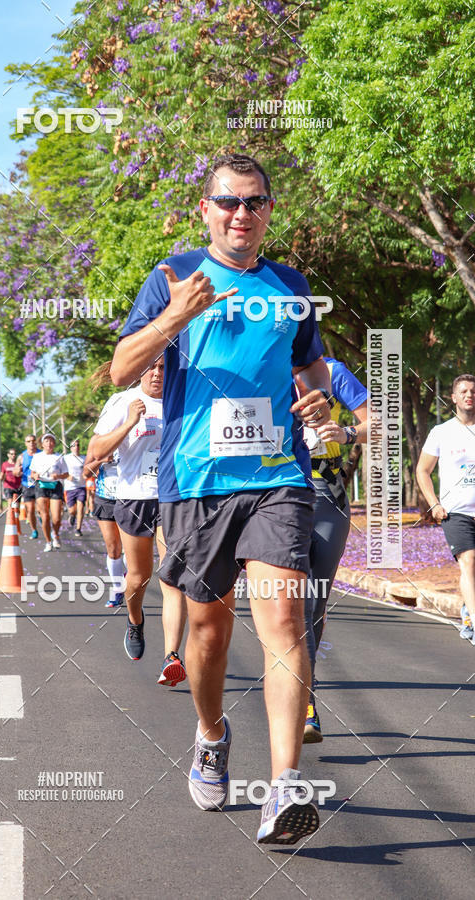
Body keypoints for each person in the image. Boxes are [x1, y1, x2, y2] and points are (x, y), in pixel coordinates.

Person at [109, 152, 334, 844]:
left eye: (256, 202)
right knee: (208, 631)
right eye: (229, 202)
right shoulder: (172, 276)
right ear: (205, 210)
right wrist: (173, 318)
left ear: (270, 212)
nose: (242, 213)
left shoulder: (289, 284)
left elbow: (309, 362)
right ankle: (211, 734)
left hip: (278, 480)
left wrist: (319, 398)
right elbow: (119, 369)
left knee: (283, 622)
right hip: (197, 482)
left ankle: (286, 786)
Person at [89, 359, 189, 687]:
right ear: (140, 370)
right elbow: (95, 451)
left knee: (172, 578)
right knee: (138, 578)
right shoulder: (123, 402)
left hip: (174, 499)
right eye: (151, 367)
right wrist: (130, 422)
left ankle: (171, 656)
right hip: (134, 498)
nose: (158, 373)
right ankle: (135, 619)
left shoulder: (183, 397)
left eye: (164, 367)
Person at [302, 357, 368, 744]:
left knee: (313, 606)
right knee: (290, 601)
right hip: (276, 498)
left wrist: (344, 433)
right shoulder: (260, 364)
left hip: (328, 497)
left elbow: (377, 424)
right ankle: (304, 702)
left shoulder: (332, 371)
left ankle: (300, 691)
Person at [416, 374, 475, 646]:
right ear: (453, 397)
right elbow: (423, 470)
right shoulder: (441, 432)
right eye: (463, 391)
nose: (469, 395)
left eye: (473, 391)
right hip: (456, 512)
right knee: (469, 561)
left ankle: (467, 611)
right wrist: (434, 504)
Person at [82, 444, 126, 609]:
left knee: (130, 551)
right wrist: (101, 460)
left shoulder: (138, 434)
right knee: (113, 548)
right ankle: (117, 589)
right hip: (106, 498)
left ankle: (130, 580)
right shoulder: (100, 440)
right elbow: (86, 472)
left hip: (131, 497)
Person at [30, 432, 68, 552]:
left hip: (55, 486)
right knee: (45, 517)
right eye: (47, 441)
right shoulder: (37, 456)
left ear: (54, 443)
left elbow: (66, 474)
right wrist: (35, 475)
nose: (49, 443)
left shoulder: (59, 457)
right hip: (41, 486)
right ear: (42, 444)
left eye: (51, 441)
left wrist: (59, 475)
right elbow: (32, 473)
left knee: (56, 518)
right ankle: (48, 541)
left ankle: (55, 534)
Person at [14, 435, 41, 539]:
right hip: (27, 486)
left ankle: (42, 519)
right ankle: (34, 530)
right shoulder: (22, 456)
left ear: (36, 442)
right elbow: (15, 471)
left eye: (33, 441)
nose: (31, 443)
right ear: (26, 443)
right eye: (28, 441)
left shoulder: (41, 454)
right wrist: (18, 471)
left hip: (40, 484)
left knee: (40, 509)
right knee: (29, 510)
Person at [64, 439, 86, 536]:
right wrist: (67, 476)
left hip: (81, 486)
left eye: (77, 445)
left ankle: (78, 529)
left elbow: (88, 470)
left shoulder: (84, 458)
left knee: (80, 507)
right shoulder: (66, 458)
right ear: (71, 448)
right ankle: (72, 515)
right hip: (69, 487)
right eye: (74, 445)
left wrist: (86, 475)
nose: (76, 447)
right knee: (72, 510)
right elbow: (61, 470)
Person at [0, 448, 22, 514]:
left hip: (18, 486)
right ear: (8, 455)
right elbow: (2, 474)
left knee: (17, 505)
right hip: (8, 486)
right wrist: (1, 477)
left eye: (15, 454)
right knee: (10, 503)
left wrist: (19, 473)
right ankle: (10, 519)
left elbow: (21, 473)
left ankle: (16, 519)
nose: (13, 455)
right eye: (12, 454)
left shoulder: (18, 464)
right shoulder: (4, 464)